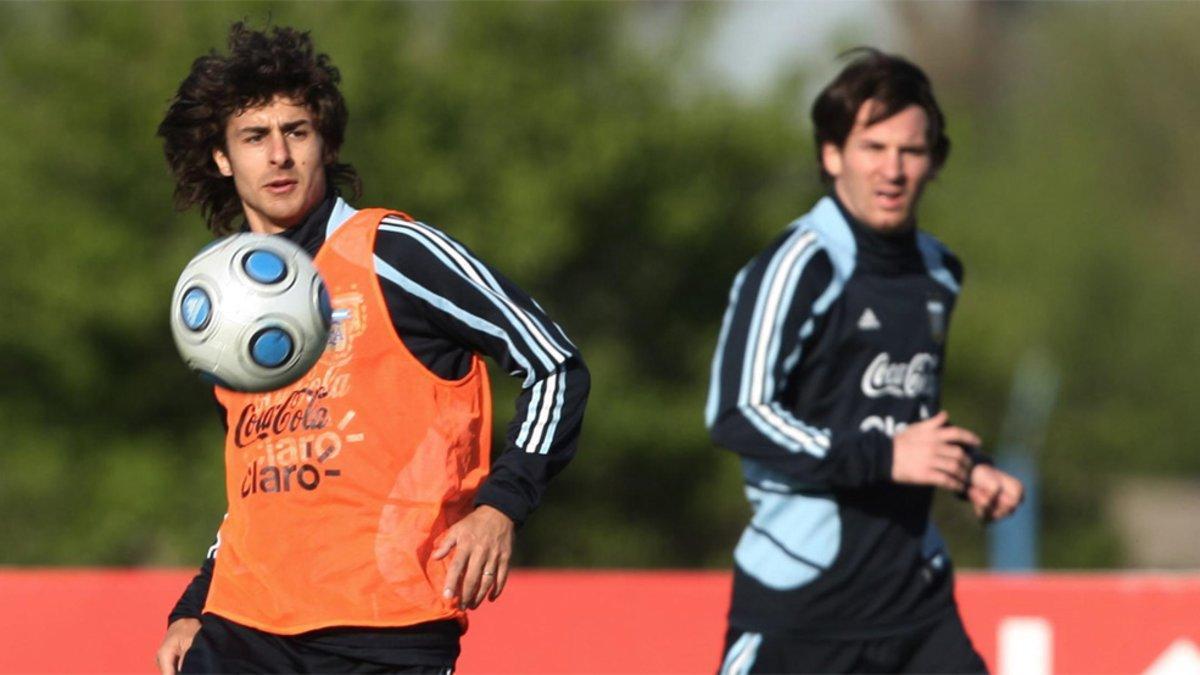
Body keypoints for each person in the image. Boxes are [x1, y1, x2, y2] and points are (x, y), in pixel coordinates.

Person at [153, 23, 589, 674]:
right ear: (221, 158)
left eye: (296, 131)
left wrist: (502, 504)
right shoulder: (224, 309)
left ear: (323, 142)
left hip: (384, 628)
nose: (279, 155)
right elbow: (256, 488)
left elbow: (553, 361)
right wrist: (196, 602)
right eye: (254, 137)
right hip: (242, 629)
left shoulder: (390, 250)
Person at [705, 48, 1023, 674]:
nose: (893, 169)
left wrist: (968, 471)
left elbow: (905, 415)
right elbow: (738, 414)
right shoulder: (798, 263)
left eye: (911, 150)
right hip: (805, 600)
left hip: (915, 600)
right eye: (872, 147)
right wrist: (888, 458)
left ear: (934, 162)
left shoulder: (939, 270)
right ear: (832, 155)